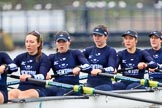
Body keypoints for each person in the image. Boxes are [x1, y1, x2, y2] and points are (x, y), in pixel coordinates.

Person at [46, 31, 92, 96]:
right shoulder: (51, 57)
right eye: (59, 42)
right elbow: (42, 71)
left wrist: (79, 68)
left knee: (61, 92)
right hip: (57, 85)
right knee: (45, 91)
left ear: (69, 42)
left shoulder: (75, 53)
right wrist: (45, 74)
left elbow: (89, 66)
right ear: (56, 43)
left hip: (73, 87)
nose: (61, 44)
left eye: (64, 42)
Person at [8, 30, 50, 99]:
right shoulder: (21, 57)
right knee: (11, 93)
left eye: (31, 42)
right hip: (22, 88)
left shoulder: (44, 58)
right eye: (26, 42)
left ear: (38, 44)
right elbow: (12, 67)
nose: (28, 44)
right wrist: (4, 68)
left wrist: (30, 76)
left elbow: (42, 76)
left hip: (38, 89)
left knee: (22, 96)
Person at [82, 25, 117, 91]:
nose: (97, 38)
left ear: (106, 36)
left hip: (105, 85)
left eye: (99, 36)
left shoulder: (111, 51)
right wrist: (78, 68)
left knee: (92, 90)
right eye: (95, 36)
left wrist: (101, 70)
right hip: (90, 85)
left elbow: (112, 68)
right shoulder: (88, 51)